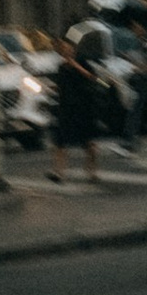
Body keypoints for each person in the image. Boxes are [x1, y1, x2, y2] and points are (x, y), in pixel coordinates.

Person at [47, 28, 109, 185]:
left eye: (67, 48)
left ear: (73, 49)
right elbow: (60, 86)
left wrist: (75, 66)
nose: (65, 52)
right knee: (60, 141)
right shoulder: (61, 67)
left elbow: (92, 77)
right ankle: (59, 173)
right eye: (62, 49)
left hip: (84, 107)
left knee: (89, 143)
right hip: (66, 108)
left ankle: (92, 172)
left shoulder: (83, 62)